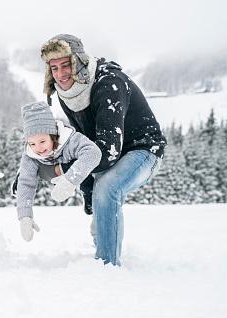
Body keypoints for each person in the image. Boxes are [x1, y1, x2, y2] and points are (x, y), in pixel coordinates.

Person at [40, 34, 167, 265]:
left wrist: (68, 172)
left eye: (66, 65)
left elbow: (107, 151)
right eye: (54, 68)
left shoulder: (108, 83)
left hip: (144, 150)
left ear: (79, 61)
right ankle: (102, 245)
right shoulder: (67, 93)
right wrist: (88, 193)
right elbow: (85, 143)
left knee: (107, 188)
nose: (61, 74)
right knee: (99, 193)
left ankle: (107, 266)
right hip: (108, 152)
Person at [16, 101, 101, 241]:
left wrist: (70, 180)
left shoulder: (71, 140)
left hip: (87, 172)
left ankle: (90, 196)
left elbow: (93, 153)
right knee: (24, 176)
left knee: (87, 177)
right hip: (50, 173)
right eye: (32, 143)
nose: (38, 148)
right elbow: (26, 183)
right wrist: (25, 216)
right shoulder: (31, 155)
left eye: (42, 141)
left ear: (53, 134)